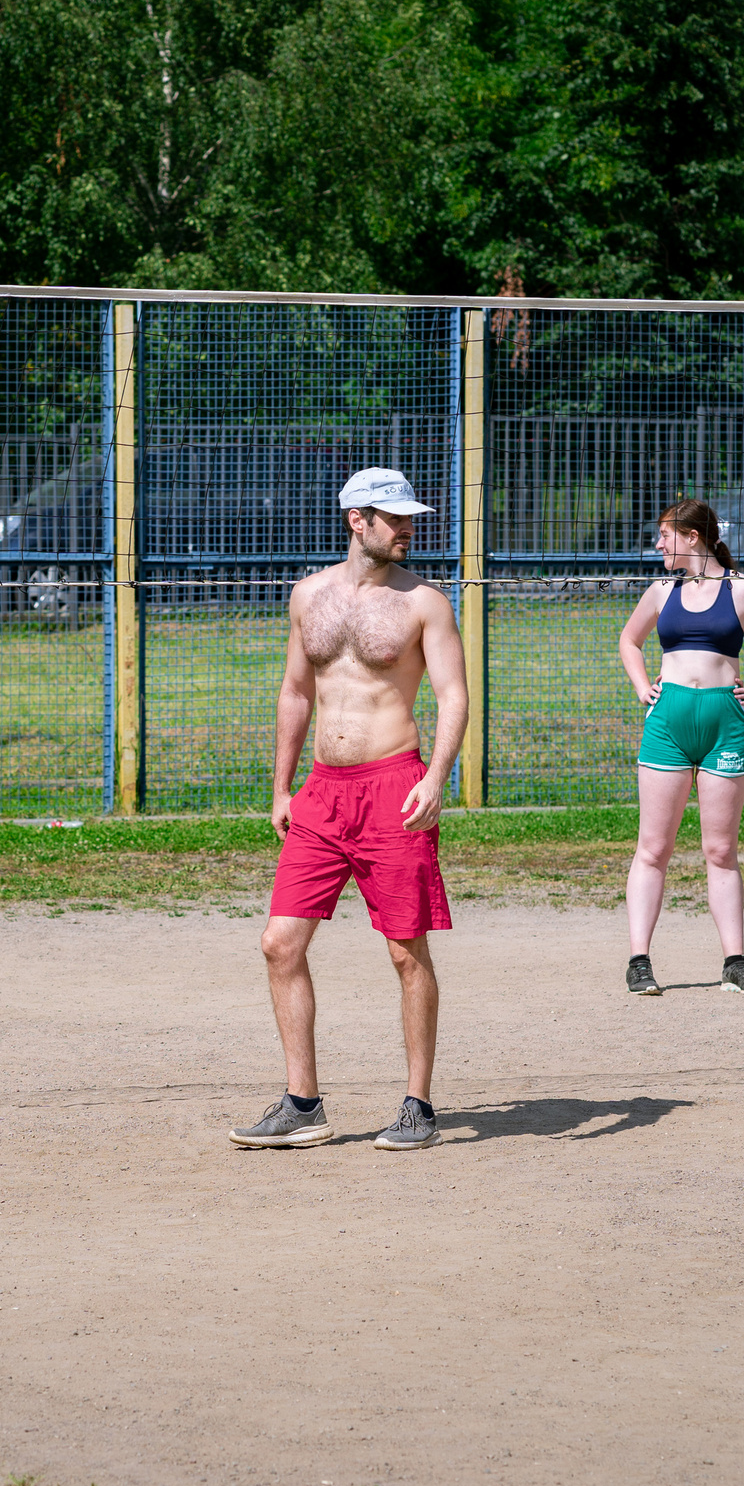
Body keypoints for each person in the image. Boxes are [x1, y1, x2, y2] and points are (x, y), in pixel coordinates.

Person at [232, 467, 469, 1153]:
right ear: (356, 519)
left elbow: (452, 695)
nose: (409, 527)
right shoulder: (308, 595)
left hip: (394, 786)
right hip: (323, 793)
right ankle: (303, 1103)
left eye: (410, 516)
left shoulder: (425, 602)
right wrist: (282, 787)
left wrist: (436, 776)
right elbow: (295, 692)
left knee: (405, 951)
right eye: (393, 517)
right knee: (280, 943)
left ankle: (418, 1105)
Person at [615, 499, 744, 998]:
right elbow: (630, 642)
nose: (658, 545)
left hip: (725, 724)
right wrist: (641, 687)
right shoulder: (660, 591)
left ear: (693, 537)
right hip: (669, 720)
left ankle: (734, 963)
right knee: (654, 848)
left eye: (665, 536)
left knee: (720, 849)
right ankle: (639, 961)